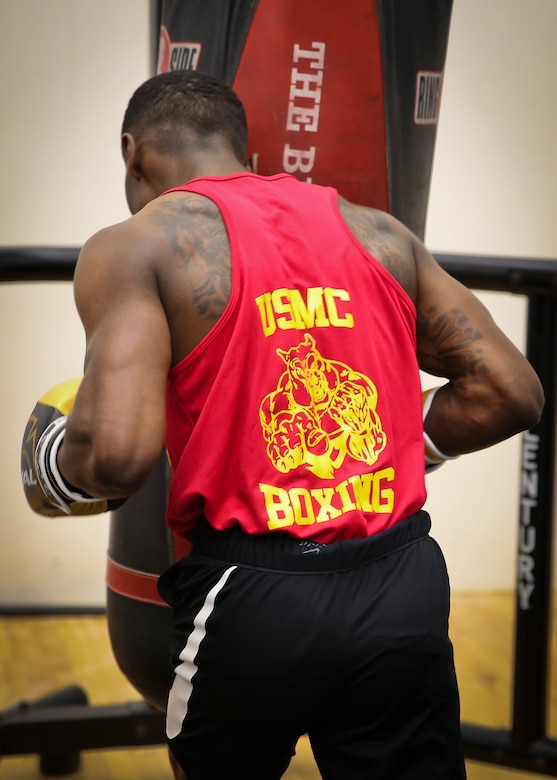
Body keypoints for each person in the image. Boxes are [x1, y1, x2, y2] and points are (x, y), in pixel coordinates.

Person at [33, 70, 544, 779]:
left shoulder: (134, 245)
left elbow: (118, 456)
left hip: (252, 594)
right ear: (245, 152)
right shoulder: (378, 233)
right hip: (402, 580)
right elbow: (511, 391)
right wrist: (405, 442)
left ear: (132, 153)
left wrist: (55, 463)